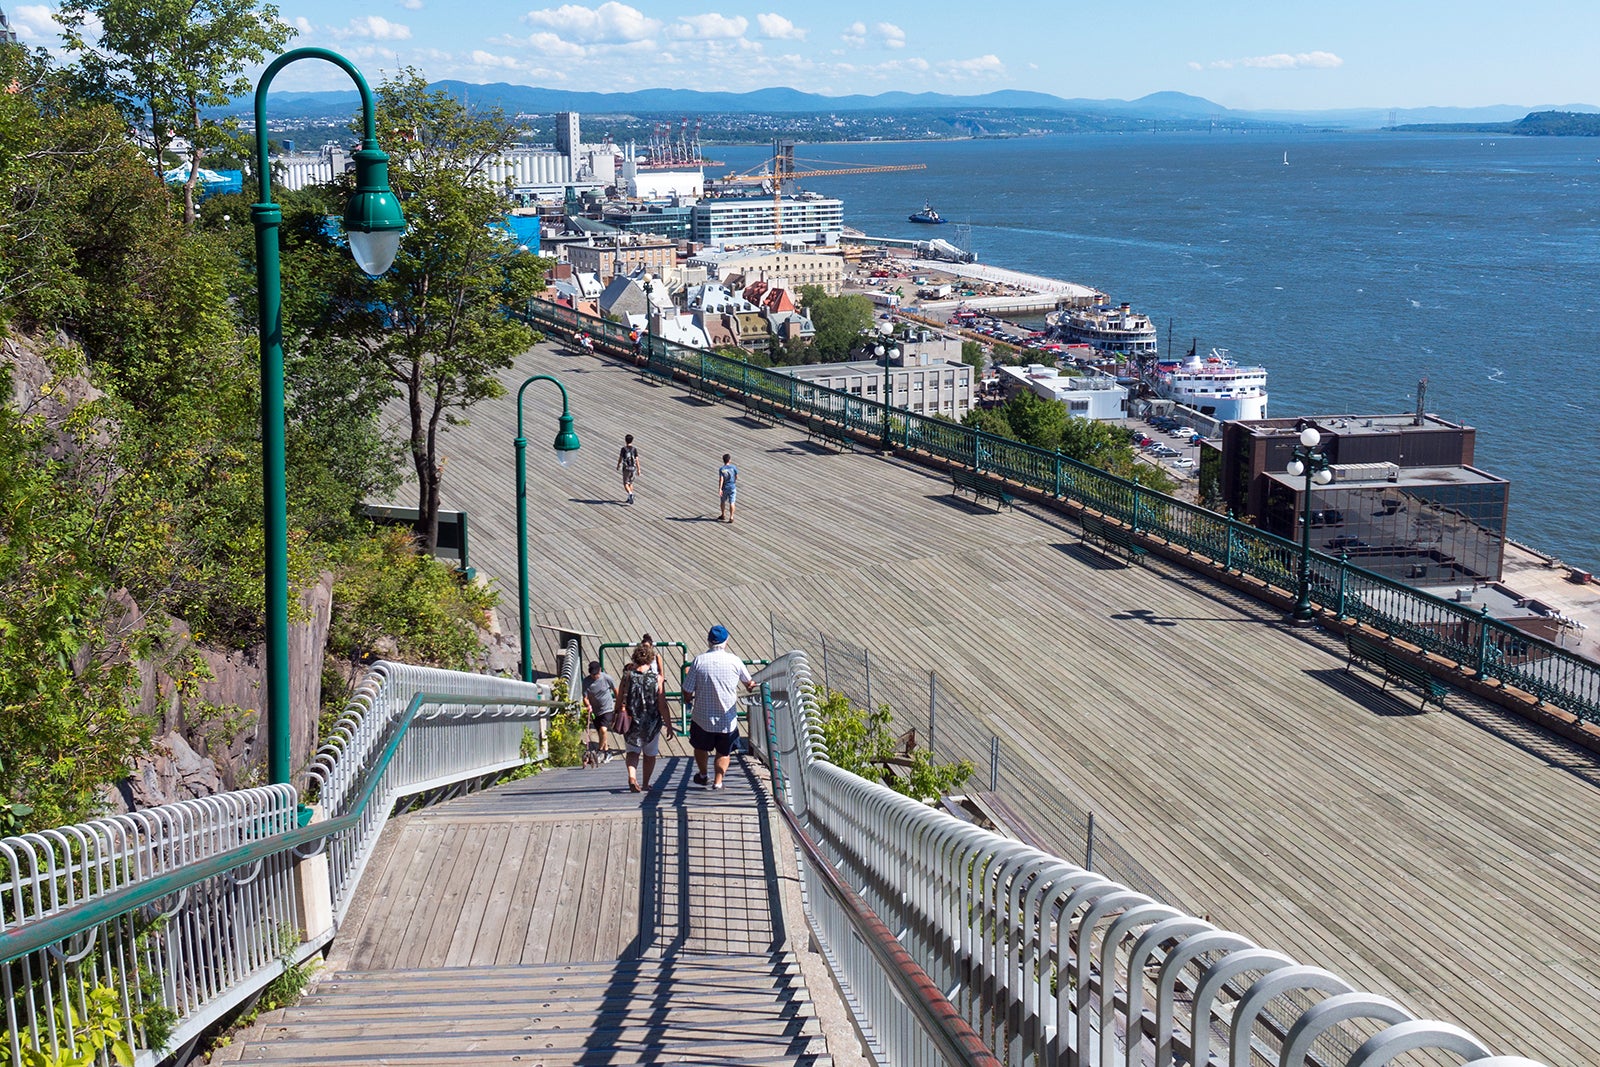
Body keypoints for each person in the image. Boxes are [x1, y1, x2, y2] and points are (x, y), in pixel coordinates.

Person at [682, 624, 753, 790]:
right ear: (726, 641)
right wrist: (752, 685)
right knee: (724, 751)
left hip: (702, 717)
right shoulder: (735, 661)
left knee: (700, 747)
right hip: (726, 719)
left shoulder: (699, 661)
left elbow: (687, 690)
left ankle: (703, 774)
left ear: (709, 641)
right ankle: (718, 781)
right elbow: (749, 684)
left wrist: (689, 700)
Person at [618, 637, 671, 793]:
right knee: (650, 754)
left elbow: (620, 697)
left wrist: (616, 713)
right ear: (651, 659)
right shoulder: (657, 679)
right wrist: (668, 724)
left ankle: (632, 777)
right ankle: (646, 783)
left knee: (632, 751)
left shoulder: (627, 676)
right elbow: (662, 704)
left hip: (631, 720)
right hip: (651, 723)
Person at [580, 660, 617, 763]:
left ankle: (599, 751)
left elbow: (615, 690)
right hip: (595, 711)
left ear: (600, 670)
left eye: (596, 674)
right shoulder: (586, 682)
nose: (595, 676)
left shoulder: (606, 678)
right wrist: (588, 705)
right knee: (601, 733)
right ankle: (607, 752)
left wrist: (620, 705)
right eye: (592, 674)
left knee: (603, 730)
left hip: (607, 708)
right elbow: (585, 697)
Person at [617, 434, 640, 505]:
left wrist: (618, 465)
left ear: (625, 440)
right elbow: (637, 460)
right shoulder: (634, 449)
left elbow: (620, 458)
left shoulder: (623, 449)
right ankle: (629, 497)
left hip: (626, 468)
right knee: (630, 482)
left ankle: (630, 494)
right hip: (633, 468)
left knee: (625, 483)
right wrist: (639, 469)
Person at [717, 453, 738, 523]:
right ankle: (731, 516)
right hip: (732, 487)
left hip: (725, 488)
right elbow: (736, 476)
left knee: (723, 501)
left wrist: (720, 488)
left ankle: (723, 514)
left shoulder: (722, 469)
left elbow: (721, 479)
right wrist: (734, 481)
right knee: (732, 502)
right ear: (729, 460)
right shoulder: (733, 467)